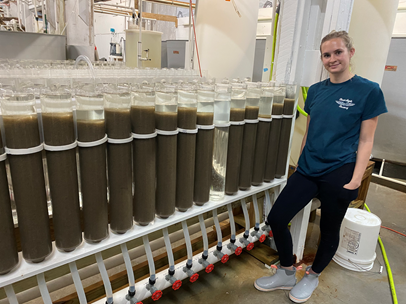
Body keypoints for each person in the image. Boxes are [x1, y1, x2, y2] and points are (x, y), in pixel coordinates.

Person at [254, 30, 388, 303]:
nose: (332, 59)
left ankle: (312, 276)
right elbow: (309, 130)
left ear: (350, 53)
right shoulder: (315, 91)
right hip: (308, 168)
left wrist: (355, 180)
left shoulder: (368, 91)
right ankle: (287, 271)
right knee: (277, 218)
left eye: (338, 52)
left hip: (339, 171)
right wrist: (300, 162)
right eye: (326, 55)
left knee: (328, 230)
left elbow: (366, 140)